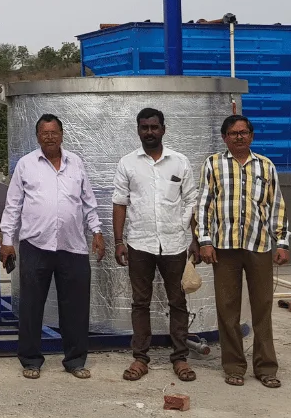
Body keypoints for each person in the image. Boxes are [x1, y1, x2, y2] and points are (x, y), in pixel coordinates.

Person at [0, 114, 105, 380]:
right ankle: (31, 360)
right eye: (44, 133)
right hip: (36, 245)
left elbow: (88, 201)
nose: (49, 137)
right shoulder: (26, 165)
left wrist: (97, 231)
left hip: (73, 246)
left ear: (61, 134)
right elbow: (13, 205)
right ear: (37, 137)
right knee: (31, 306)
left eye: (54, 132)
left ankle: (75, 360)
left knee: (75, 307)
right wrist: (7, 241)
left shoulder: (76, 163)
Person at [197, 114, 289, 389]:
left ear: (251, 136)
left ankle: (266, 367)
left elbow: (276, 205)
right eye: (233, 133)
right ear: (224, 138)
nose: (239, 137)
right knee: (227, 309)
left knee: (262, 307)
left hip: (259, 245)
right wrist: (204, 240)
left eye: (243, 132)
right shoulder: (213, 164)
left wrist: (282, 242)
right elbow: (203, 204)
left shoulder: (266, 166)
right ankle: (234, 366)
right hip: (224, 247)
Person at [111, 107, 199, 383]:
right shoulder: (127, 163)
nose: (149, 132)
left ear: (163, 129)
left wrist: (195, 238)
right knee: (140, 302)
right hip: (140, 243)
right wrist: (118, 241)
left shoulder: (179, 162)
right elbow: (120, 202)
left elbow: (192, 200)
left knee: (178, 301)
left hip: (175, 243)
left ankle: (180, 358)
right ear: (138, 130)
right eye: (144, 127)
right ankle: (140, 358)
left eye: (154, 127)